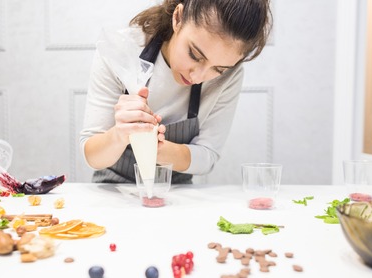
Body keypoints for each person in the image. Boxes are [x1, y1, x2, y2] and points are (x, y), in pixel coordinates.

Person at [80, 0, 272, 184]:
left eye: (219, 69)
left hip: (178, 197)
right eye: (194, 55)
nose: (198, 76)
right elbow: (92, 155)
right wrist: (119, 135)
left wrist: (155, 148)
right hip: (112, 193)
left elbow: (207, 155)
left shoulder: (231, 75)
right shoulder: (121, 50)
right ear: (178, 18)